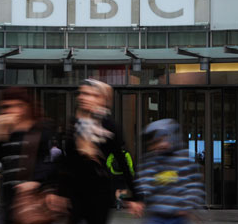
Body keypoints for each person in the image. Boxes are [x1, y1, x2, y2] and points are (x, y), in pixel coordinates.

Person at [61, 79, 136, 224]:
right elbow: (67, 161)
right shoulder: (74, 124)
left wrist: (136, 196)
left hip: (99, 193)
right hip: (75, 193)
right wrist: (61, 193)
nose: (83, 97)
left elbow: (122, 162)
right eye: (82, 93)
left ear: (101, 99)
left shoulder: (109, 126)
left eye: (90, 94)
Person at [0, 87, 64, 224]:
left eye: (11, 106)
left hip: (33, 197)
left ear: (24, 106)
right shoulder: (6, 130)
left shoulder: (41, 128)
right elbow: (5, 161)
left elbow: (52, 161)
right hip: (10, 199)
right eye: (4, 107)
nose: (7, 111)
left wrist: (35, 180)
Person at [128, 119, 205, 224]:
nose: (159, 145)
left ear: (172, 138)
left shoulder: (183, 159)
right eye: (155, 142)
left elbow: (193, 185)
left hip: (178, 215)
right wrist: (139, 199)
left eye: (162, 140)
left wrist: (188, 205)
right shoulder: (151, 160)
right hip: (156, 214)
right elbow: (145, 182)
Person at [106, 143, 135, 209]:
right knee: (124, 189)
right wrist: (132, 173)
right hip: (123, 173)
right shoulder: (126, 154)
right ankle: (121, 201)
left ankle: (118, 202)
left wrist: (111, 169)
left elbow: (108, 163)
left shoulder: (112, 153)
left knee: (117, 189)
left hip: (115, 173)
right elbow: (130, 164)